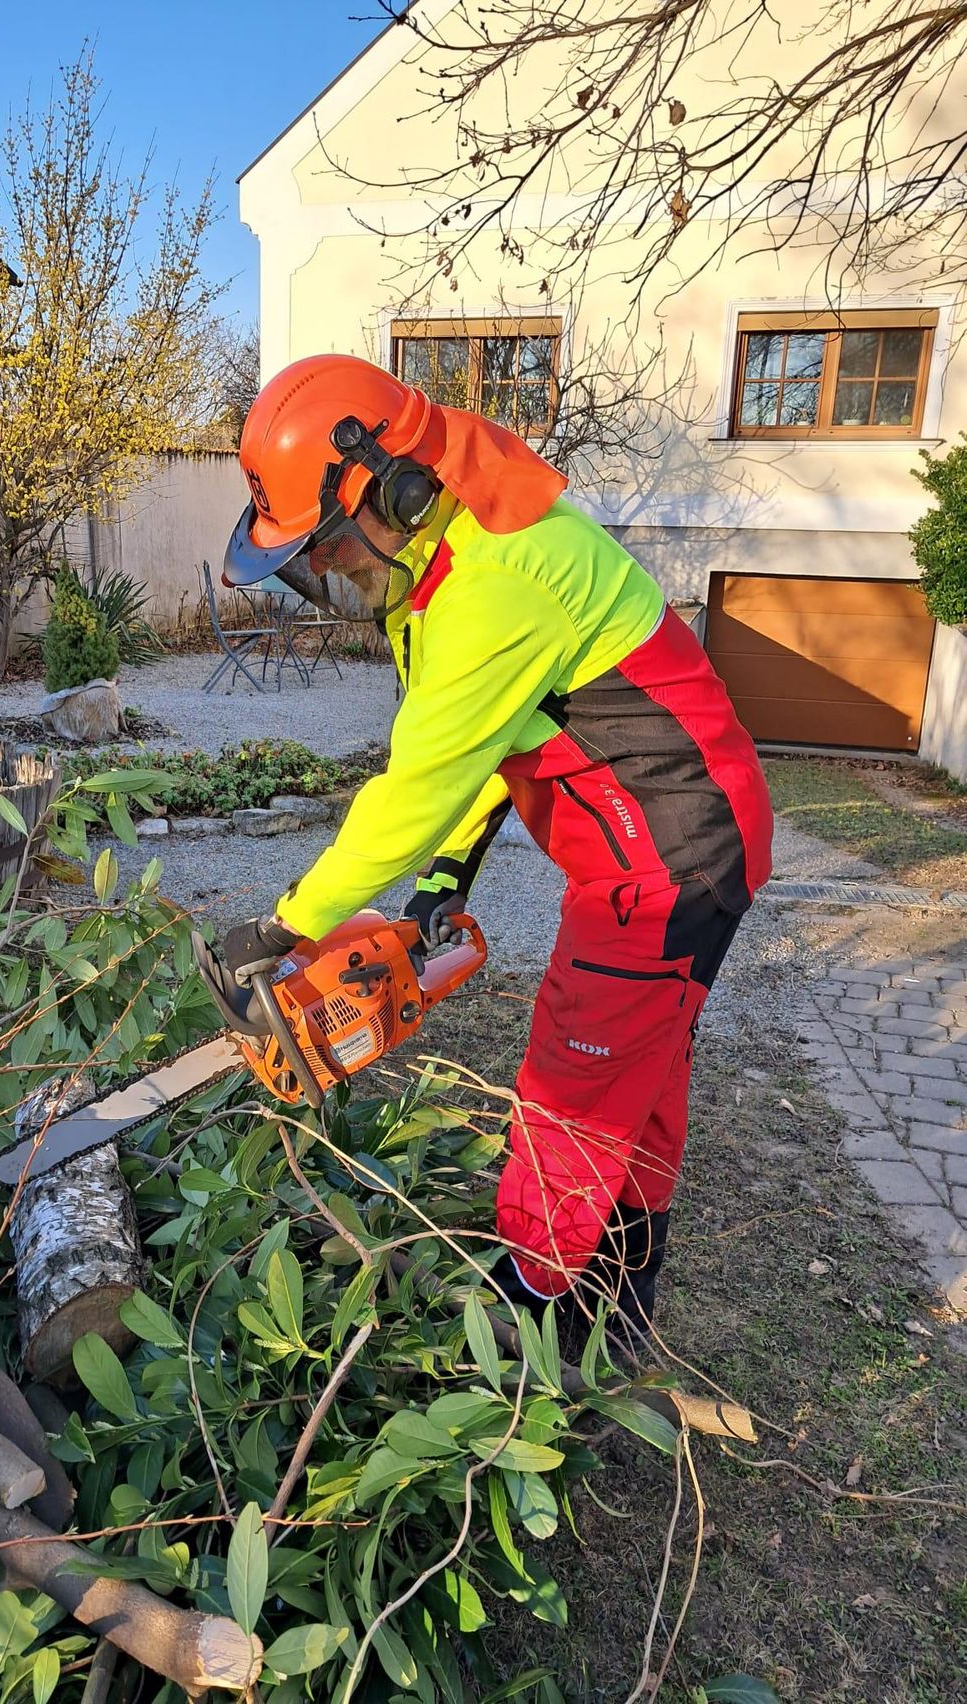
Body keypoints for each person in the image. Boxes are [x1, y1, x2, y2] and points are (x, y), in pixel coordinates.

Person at [215, 352, 773, 1351]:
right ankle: (618, 1306)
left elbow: (418, 785)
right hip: (661, 844)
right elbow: (490, 742)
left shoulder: (496, 580)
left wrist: (285, 927)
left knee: (574, 1076)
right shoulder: (455, 550)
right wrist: (445, 876)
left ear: (393, 489)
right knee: (640, 1079)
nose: (328, 566)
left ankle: (532, 1317)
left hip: (669, 861)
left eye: (329, 541)